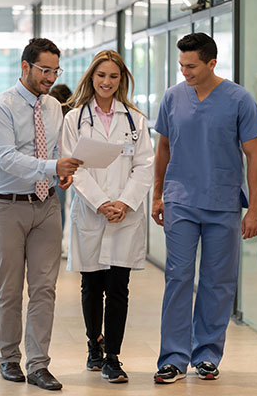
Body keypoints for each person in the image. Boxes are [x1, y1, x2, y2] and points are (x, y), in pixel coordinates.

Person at [151, 33, 257, 384]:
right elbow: (163, 150)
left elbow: (256, 157)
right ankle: (173, 357)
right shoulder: (173, 98)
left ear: (211, 63)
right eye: (181, 65)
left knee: (218, 282)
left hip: (223, 202)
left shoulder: (238, 99)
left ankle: (207, 355)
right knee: (178, 277)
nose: (184, 71)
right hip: (181, 200)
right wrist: (158, 195)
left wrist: (255, 209)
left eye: (191, 65)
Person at [0, 38, 82, 391]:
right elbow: (4, 157)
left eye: (55, 70)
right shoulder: (1, 107)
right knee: (9, 288)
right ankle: (9, 358)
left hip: (46, 205)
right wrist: (50, 165)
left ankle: (38, 364)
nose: (51, 77)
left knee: (44, 288)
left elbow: (56, 149)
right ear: (25, 67)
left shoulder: (54, 107)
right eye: (45, 70)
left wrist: (62, 171)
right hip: (7, 205)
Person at [61, 50, 154, 383]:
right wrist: (101, 203)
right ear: (91, 77)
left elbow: (145, 165)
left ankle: (113, 356)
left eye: (114, 76)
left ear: (122, 80)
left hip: (125, 215)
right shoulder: (74, 119)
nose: (107, 82)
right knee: (91, 284)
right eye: (101, 75)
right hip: (91, 210)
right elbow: (73, 166)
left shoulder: (135, 119)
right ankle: (93, 347)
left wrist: (125, 203)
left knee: (118, 287)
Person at [48, 84, 72, 237]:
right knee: (58, 205)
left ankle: (58, 237)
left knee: (59, 205)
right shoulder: (49, 117)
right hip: (53, 165)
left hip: (65, 166)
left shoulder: (72, 118)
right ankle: (57, 237)